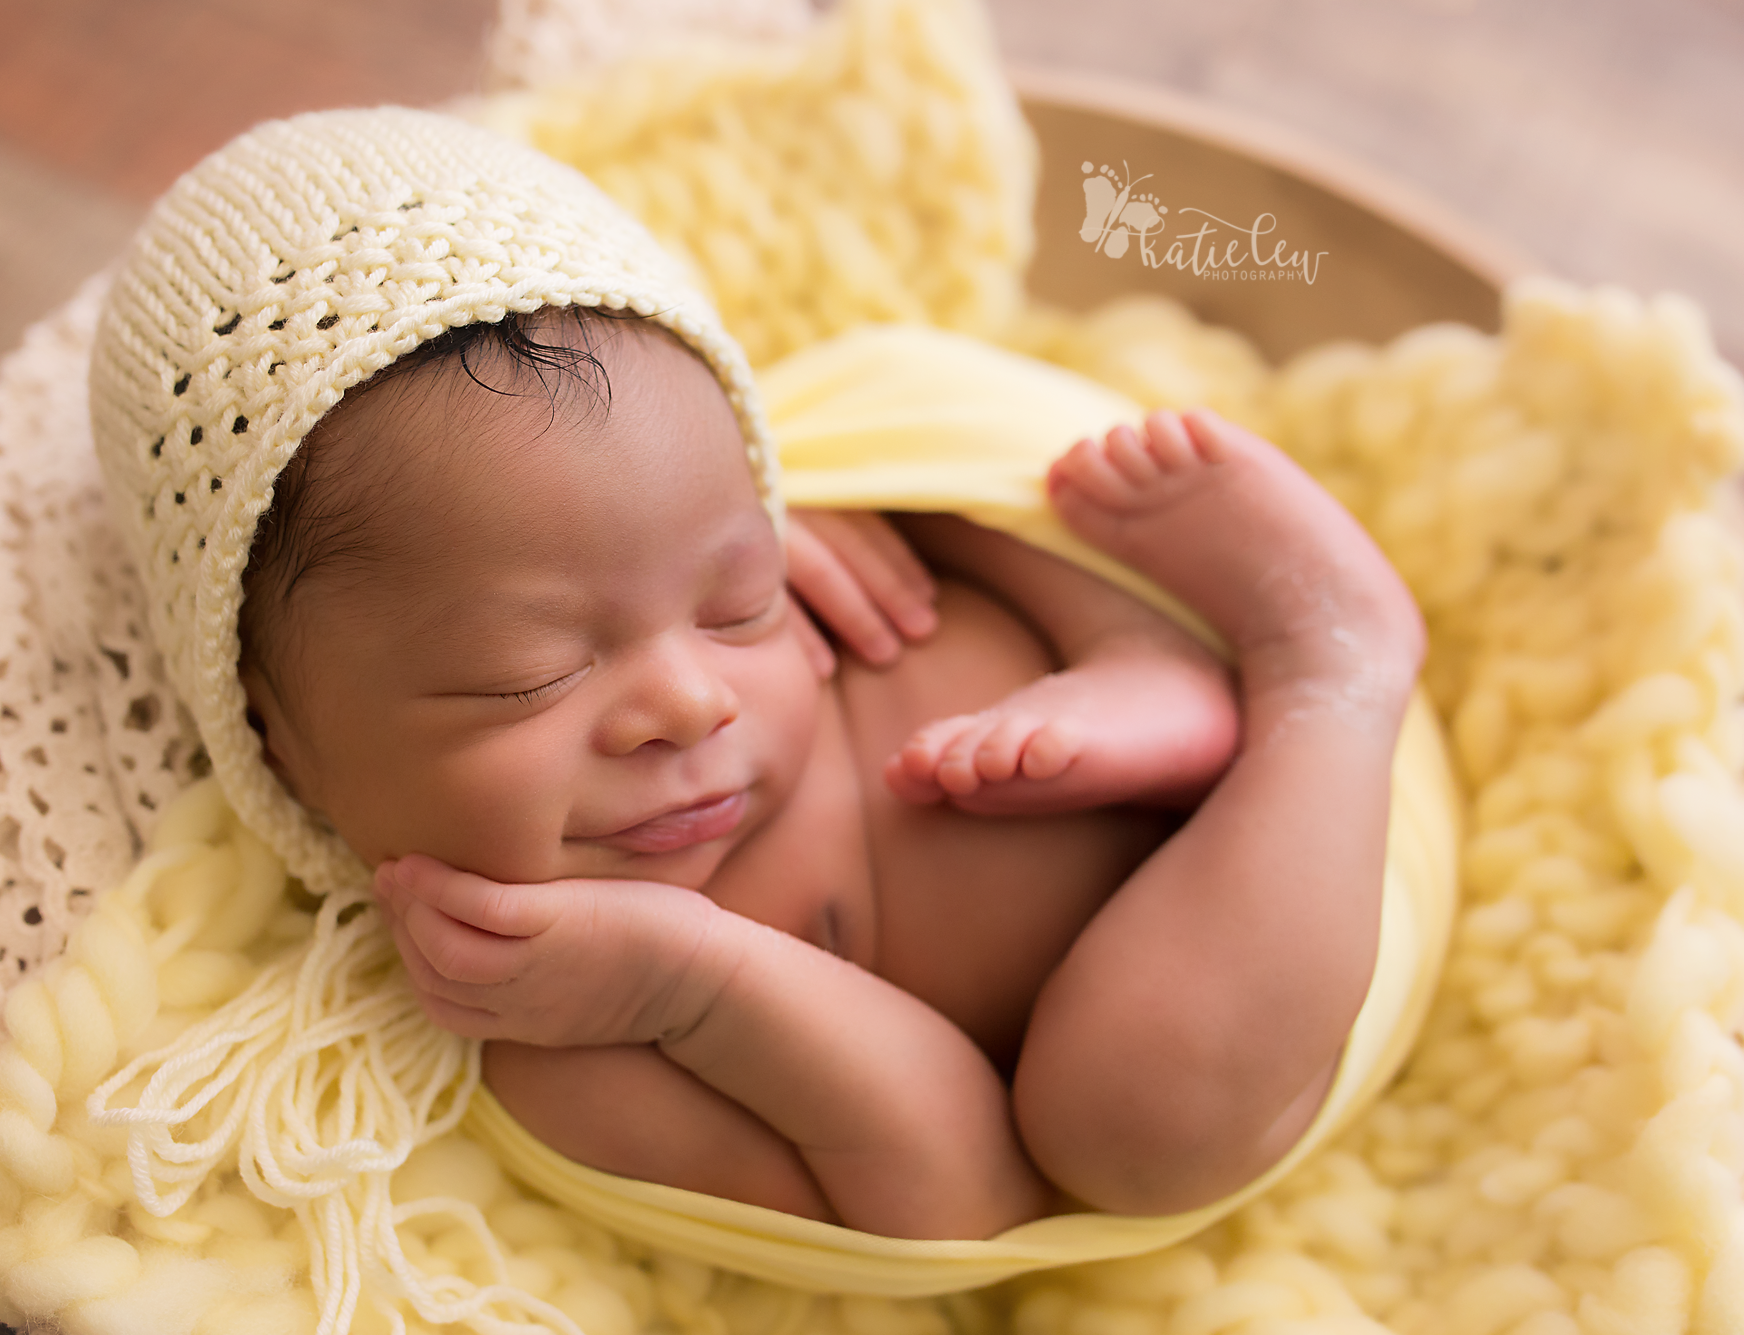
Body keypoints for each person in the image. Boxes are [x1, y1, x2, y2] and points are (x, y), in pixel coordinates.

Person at [93, 107, 1425, 1244]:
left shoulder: (776, 550)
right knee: (1131, 1128)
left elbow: (905, 467)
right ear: (284, 747)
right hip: (1275, 943)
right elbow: (965, 1202)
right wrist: (698, 985)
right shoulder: (564, 1035)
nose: (690, 698)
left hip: (1085, 652)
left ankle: (1151, 647)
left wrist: (861, 522)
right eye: (526, 676)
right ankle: (1327, 681)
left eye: (735, 602)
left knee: (930, 494)